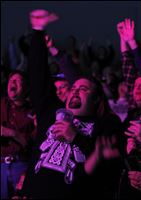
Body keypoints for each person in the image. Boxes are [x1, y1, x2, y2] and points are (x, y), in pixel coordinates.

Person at [20, 9, 122, 199]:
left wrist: (75, 137)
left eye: (83, 89)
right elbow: (37, 75)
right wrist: (37, 30)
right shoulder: (51, 111)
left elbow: (105, 163)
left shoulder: (105, 124)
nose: (75, 90)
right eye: (74, 88)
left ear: (96, 99)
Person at [1, 70, 36, 199]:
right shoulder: (2, 104)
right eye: (10, 80)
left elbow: (33, 143)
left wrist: (12, 133)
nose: (12, 82)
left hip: (21, 166)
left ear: (26, 88)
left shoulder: (33, 111)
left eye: (17, 80)